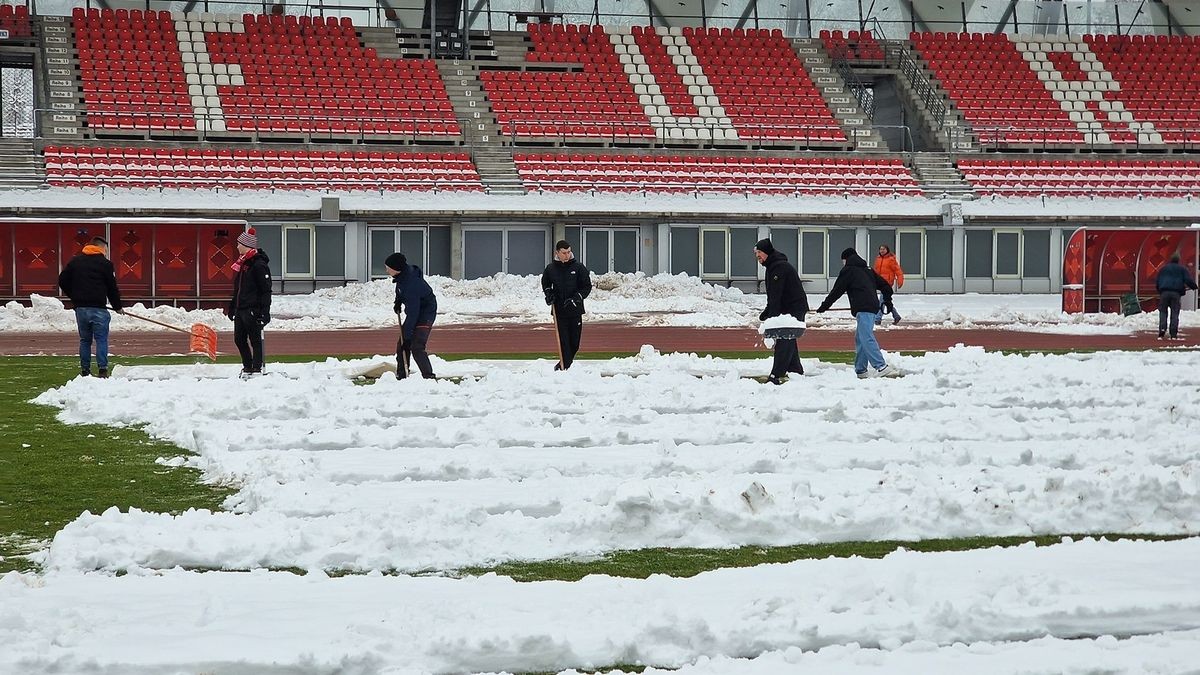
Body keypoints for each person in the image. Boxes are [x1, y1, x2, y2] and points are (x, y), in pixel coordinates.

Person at [816, 247, 901, 379]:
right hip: (871, 307)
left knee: (866, 336)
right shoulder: (867, 270)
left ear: (846, 259)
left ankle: (881, 366)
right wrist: (888, 301)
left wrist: (824, 306)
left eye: (843, 261)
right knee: (860, 338)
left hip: (863, 308)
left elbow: (836, 291)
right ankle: (861, 370)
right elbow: (885, 286)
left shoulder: (848, 271)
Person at [58, 236, 123, 378]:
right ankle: (102, 370)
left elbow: (62, 280)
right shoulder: (105, 264)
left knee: (85, 340)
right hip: (98, 307)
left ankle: (85, 371)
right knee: (101, 339)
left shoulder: (75, 261)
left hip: (81, 308)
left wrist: (74, 296)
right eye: (105, 249)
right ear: (101, 248)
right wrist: (117, 306)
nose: (106, 252)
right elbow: (112, 287)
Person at [755, 238, 809, 385]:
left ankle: (776, 374)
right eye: (756, 253)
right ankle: (795, 369)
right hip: (789, 307)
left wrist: (771, 319)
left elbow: (777, 294)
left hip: (794, 308)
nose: (757, 256)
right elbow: (774, 295)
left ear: (766, 252)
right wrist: (768, 312)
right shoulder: (773, 266)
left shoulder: (778, 268)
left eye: (759, 252)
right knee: (788, 338)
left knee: (785, 338)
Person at [226, 228, 272, 376]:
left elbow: (266, 290)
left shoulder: (258, 265)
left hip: (252, 309)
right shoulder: (243, 264)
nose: (237, 246)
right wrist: (233, 307)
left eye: (239, 244)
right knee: (239, 339)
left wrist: (264, 312)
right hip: (241, 309)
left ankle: (256, 368)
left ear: (246, 245)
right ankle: (248, 365)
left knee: (255, 340)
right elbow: (238, 288)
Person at [385, 251, 438, 379]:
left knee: (416, 346)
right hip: (416, 310)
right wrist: (398, 301)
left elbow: (413, 313)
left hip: (425, 313)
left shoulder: (412, 284)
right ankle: (402, 375)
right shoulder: (402, 277)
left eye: (388, 268)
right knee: (402, 345)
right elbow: (400, 289)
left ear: (396, 269)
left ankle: (428, 377)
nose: (386, 270)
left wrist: (407, 336)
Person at [541, 239, 592, 370]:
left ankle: (563, 365)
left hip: (575, 311)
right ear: (557, 253)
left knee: (574, 344)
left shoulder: (578, 267)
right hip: (559, 312)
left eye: (569, 252)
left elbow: (586, 286)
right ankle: (563, 368)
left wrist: (576, 298)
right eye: (564, 253)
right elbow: (546, 284)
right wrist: (549, 294)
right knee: (564, 343)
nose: (567, 255)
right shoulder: (551, 269)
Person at [1155, 253, 1197, 340]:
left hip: (1164, 292)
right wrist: (1194, 287)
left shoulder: (1163, 269)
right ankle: (1173, 333)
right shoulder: (1182, 269)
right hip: (1176, 293)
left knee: (1163, 312)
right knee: (1174, 313)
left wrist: (1160, 290)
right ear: (1178, 260)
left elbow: (1157, 281)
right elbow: (1188, 280)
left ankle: (1162, 330)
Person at [873, 244, 904, 326]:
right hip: (880, 283)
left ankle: (877, 318)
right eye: (880, 249)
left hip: (887, 283)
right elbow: (876, 271)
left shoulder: (891, 260)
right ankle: (896, 316)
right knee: (886, 301)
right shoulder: (878, 259)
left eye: (883, 249)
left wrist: (900, 280)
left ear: (887, 250)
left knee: (882, 300)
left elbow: (898, 270)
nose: (882, 251)